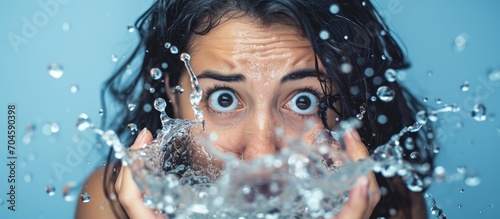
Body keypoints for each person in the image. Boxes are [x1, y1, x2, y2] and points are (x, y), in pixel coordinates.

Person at [76, 0, 434, 218]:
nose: (262, 153)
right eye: (224, 99)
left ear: (347, 107)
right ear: (173, 94)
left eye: (303, 101)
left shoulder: (393, 202)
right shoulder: (112, 203)